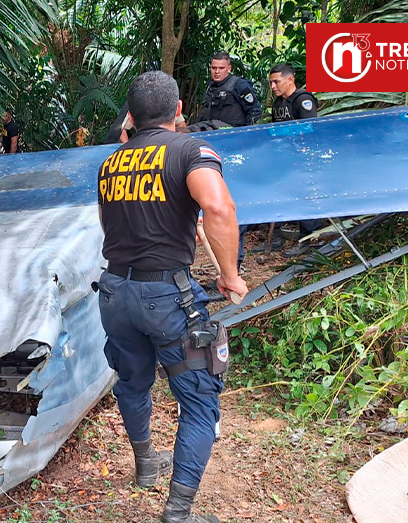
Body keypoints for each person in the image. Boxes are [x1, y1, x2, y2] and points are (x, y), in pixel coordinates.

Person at [96, 70, 248, 523]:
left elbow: (116, 223)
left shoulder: (111, 163)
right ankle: (178, 514)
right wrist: (230, 274)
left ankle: (146, 464)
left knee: (132, 381)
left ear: (131, 116)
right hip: (167, 298)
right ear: (179, 110)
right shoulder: (189, 150)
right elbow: (218, 206)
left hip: (114, 292)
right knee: (199, 401)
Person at [268, 63, 323, 256]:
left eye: (277, 81)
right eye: (271, 82)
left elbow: (309, 129)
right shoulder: (278, 103)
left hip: (302, 158)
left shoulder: (303, 100)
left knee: (305, 197)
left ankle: (310, 239)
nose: (273, 86)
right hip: (283, 158)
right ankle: (275, 238)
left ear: (290, 79)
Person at [194, 52, 261, 128]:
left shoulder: (239, 85)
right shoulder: (211, 86)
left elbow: (254, 111)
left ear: (229, 69)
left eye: (221, 68)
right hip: (210, 132)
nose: (217, 71)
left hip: (232, 134)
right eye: (214, 68)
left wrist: (247, 134)